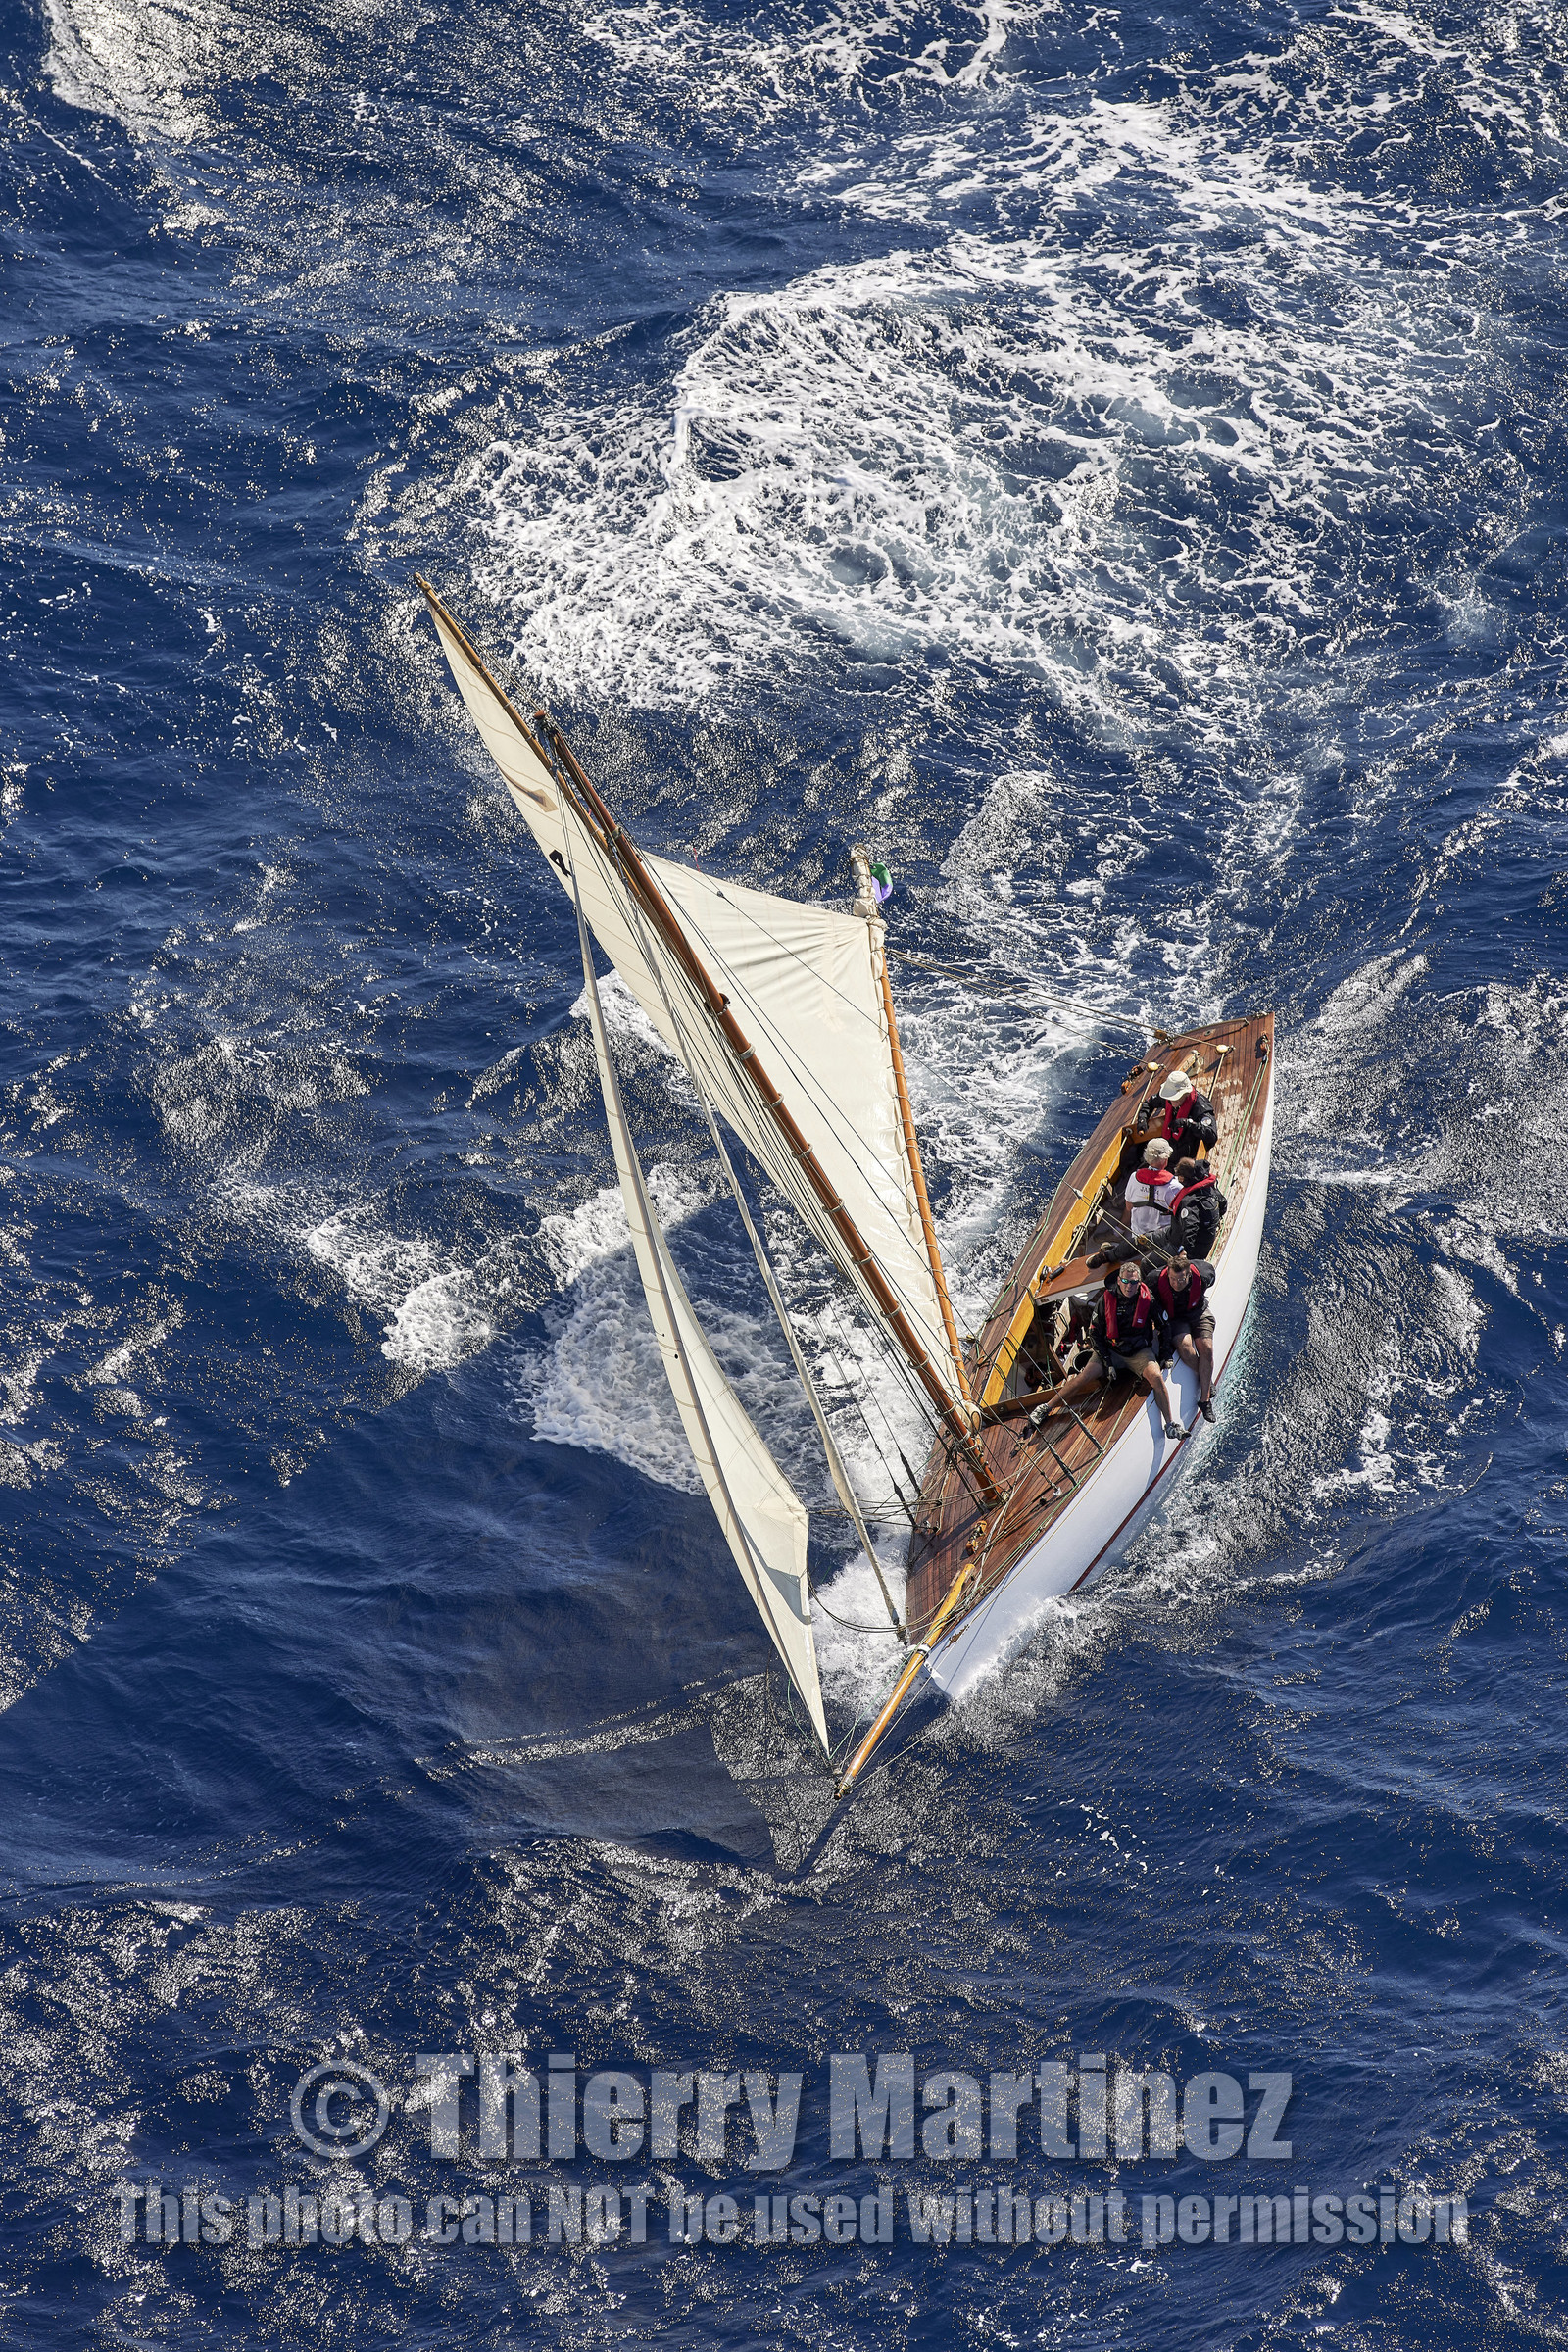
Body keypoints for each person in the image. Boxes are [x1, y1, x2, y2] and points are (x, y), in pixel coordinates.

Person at [1034, 1256, 1184, 1440]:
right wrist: (1107, 1362)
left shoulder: (1148, 1299)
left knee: (1156, 1377)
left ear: (1139, 1282)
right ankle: (1044, 1408)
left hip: (1138, 1352)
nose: (1130, 1286)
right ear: (1120, 1281)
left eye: (1134, 1282)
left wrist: (1166, 1354)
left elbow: (1164, 1326)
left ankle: (1170, 1424)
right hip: (1110, 1350)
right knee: (1084, 1377)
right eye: (1126, 1282)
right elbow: (1095, 1334)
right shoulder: (1105, 1301)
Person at [1154, 1250, 1216, 1422]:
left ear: (1188, 1274)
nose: (1176, 1283)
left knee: (1207, 1347)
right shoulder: (1156, 1279)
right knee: (1186, 1347)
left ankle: (1205, 1401)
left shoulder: (1203, 1273)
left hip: (1198, 1311)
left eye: (1180, 1279)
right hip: (1176, 1319)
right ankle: (1207, 1378)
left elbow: (1212, 1276)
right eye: (1172, 1279)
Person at [1125, 1139, 1181, 1245]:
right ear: (1166, 1159)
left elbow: (1128, 1207)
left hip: (1138, 1237)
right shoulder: (1175, 1186)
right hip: (1162, 1240)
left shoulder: (1133, 1177)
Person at [1169, 1155, 1227, 1259]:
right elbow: (1223, 1204)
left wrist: (1184, 1252)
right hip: (1201, 1237)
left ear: (1184, 1178)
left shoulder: (1190, 1201)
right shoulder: (1209, 1188)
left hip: (1194, 1249)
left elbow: (1191, 1228)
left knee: (1147, 1262)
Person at [1156, 1068, 1218, 1160]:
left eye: (1174, 1098)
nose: (1171, 1102)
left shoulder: (1201, 1108)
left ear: (1185, 1094)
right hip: (1169, 1147)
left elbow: (1212, 1136)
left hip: (1186, 1154)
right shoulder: (1169, 1100)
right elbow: (1150, 1102)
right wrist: (1143, 1117)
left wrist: (1189, 1124)